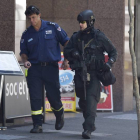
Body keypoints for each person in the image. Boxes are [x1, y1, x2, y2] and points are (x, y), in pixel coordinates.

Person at [64, 10, 117, 139]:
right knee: (83, 101)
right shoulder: (76, 37)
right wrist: (73, 54)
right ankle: (90, 123)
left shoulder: (99, 37)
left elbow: (113, 52)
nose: (80, 25)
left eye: (83, 22)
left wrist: (109, 64)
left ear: (90, 22)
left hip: (94, 74)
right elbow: (66, 51)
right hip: (79, 74)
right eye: (79, 22)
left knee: (91, 101)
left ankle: (87, 128)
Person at [20, 5, 69, 133]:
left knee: (53, 96)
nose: (32, 20)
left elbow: (67, 42)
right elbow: (23, 52)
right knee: (35, 97)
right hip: (34, 69)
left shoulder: (53, 27)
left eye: (34, 17)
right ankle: (37, 124)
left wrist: (67, 59)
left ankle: (59, 114)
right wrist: (25, 61)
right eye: (29, 18)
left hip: (50, 68)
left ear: (39, 15)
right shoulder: (27, 34)